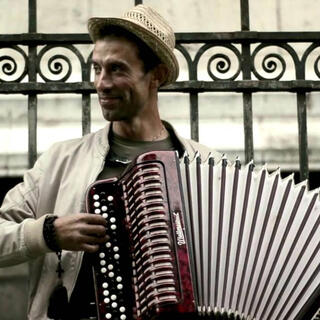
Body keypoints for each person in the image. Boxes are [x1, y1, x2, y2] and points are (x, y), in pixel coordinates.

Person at [0, 5, 221, 320]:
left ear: (155, 75)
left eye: (117, 69)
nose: (101, 83)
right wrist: (48, 233)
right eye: (97, 68)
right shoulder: (61, 161)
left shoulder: (206, 166)